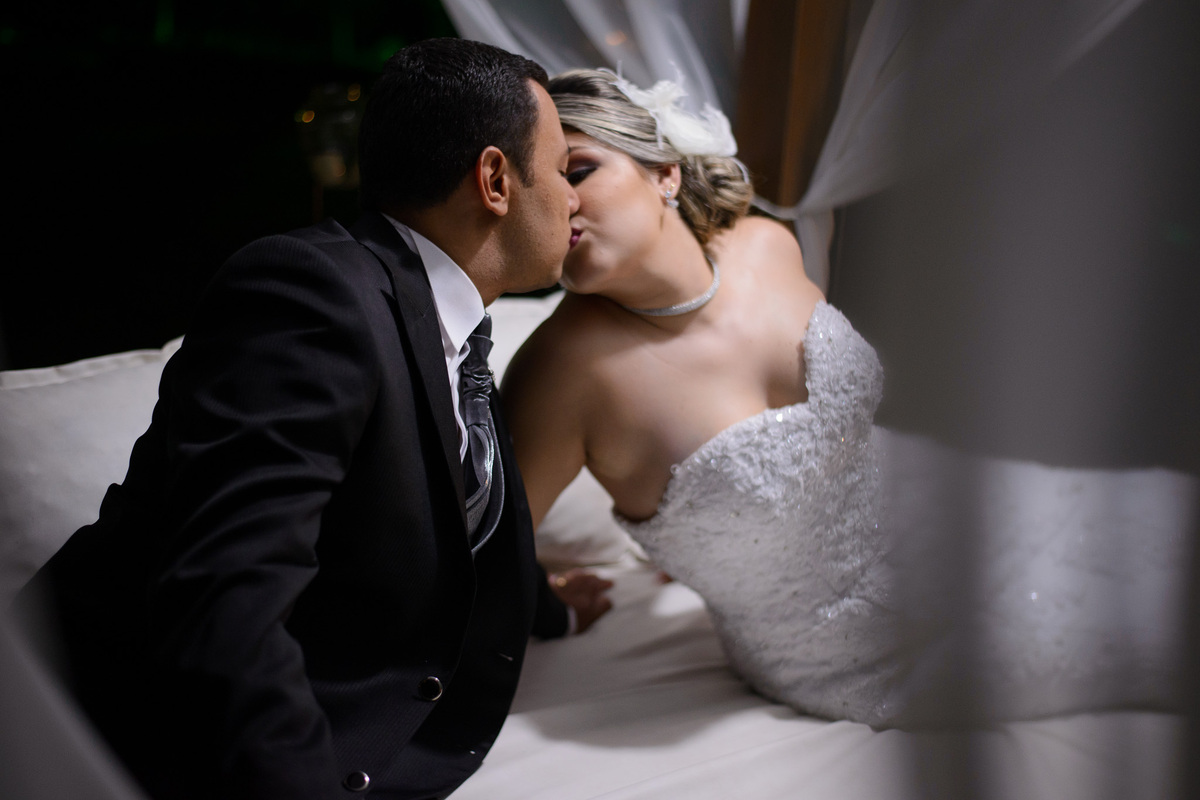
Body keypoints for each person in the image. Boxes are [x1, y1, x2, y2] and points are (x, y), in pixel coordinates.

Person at [14, 40, 611, 800]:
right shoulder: (312, 293)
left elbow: (423, 502)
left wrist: (547, 608)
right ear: (495, 179)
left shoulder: (454, 329)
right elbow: (227, 603)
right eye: (563, 171)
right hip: (105, 749)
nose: (574, 198)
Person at [501, 68, 1187, 728]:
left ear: (665, 173)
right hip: (868, 642)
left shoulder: (766, 245)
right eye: (540, 189)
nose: (560, 204)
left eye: (581, 171)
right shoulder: (562, 376)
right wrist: (546, 609)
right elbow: (473, 557)